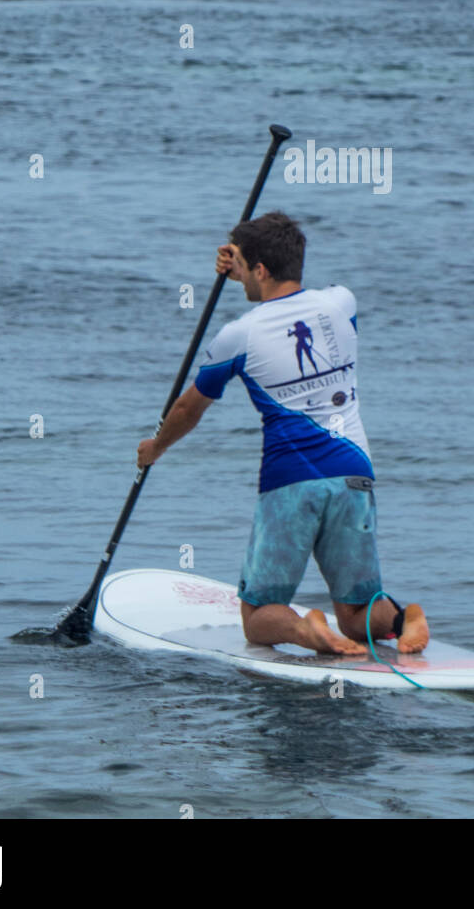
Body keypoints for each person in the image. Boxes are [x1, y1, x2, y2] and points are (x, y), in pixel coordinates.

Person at [137, 210, 429, 657]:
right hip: (355, 474)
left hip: (290, 482)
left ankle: (305, 630)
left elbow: (186, 408)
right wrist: (243, 265)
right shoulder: (342, 303)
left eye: (247, 268)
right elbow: (286, 286)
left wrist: (155, 448)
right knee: (354, 614)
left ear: (258, 269)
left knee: (258, 618)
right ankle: (404, 619)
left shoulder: (239, 336)